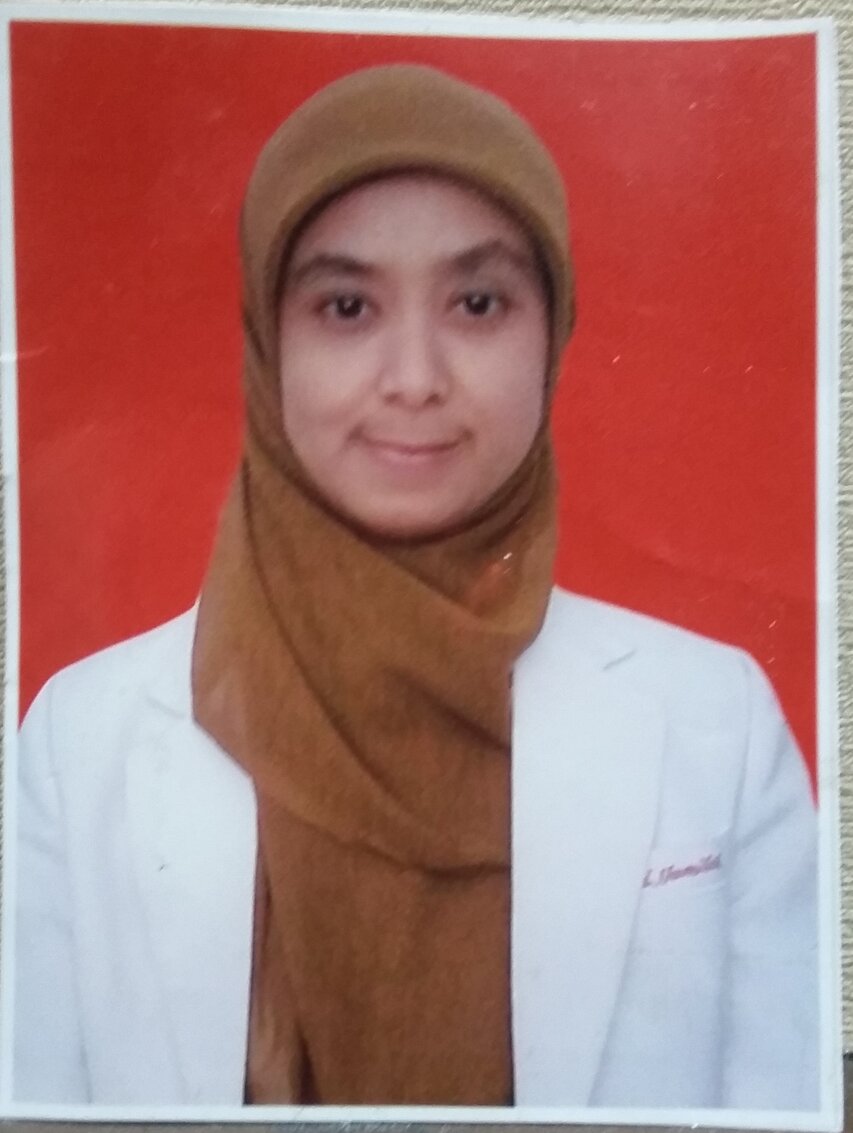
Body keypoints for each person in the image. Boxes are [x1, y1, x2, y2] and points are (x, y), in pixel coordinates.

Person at [13, 64, 818, 1111]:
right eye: (346, 306)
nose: (414, 377)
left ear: (552, 333)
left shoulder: (717, 720)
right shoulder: (79, 739)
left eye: (477, 303)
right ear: (269, 341)